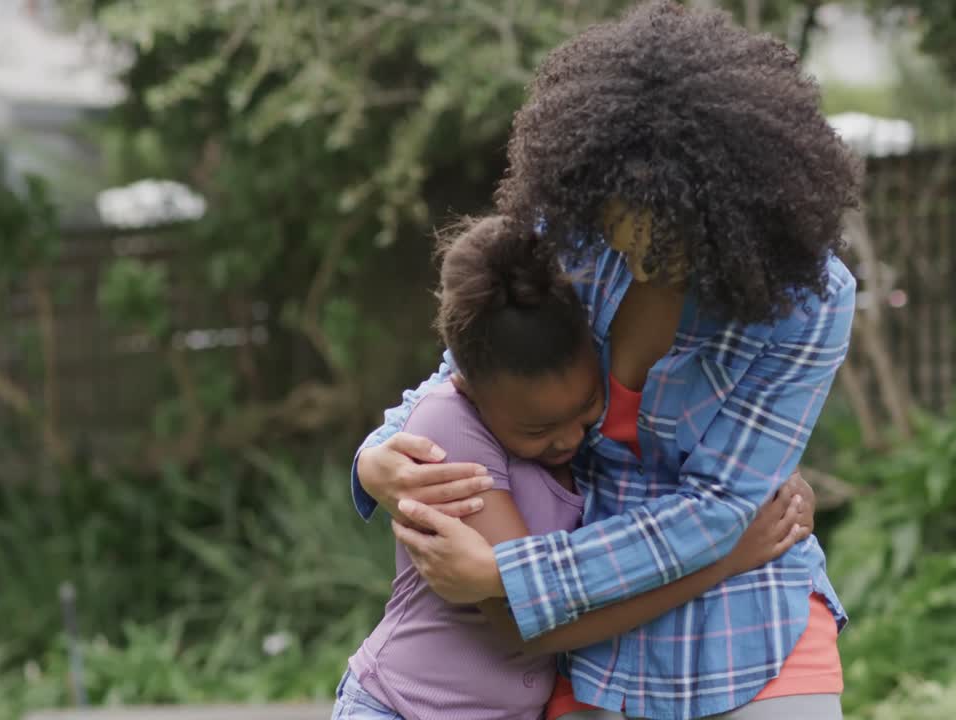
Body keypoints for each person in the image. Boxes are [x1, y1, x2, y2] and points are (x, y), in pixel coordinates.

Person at [353, 2, 861, 718]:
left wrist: (507, 573)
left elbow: (720, 506)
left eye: (668, 242)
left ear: (733, 220)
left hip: (745, 613)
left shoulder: (807, 303)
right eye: (621, 227)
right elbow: (466, 374)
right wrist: (375, 459)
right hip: (591, 624)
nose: (634, 258)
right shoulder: (569, 235)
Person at [333, 215, 809, 720]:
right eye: (538, 429)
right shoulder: (451, 431)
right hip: (399, 708)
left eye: (585, 409)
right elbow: (529, 622)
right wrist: (723, 562)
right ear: (469, 387)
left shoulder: (580, 438)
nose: (569, 439)